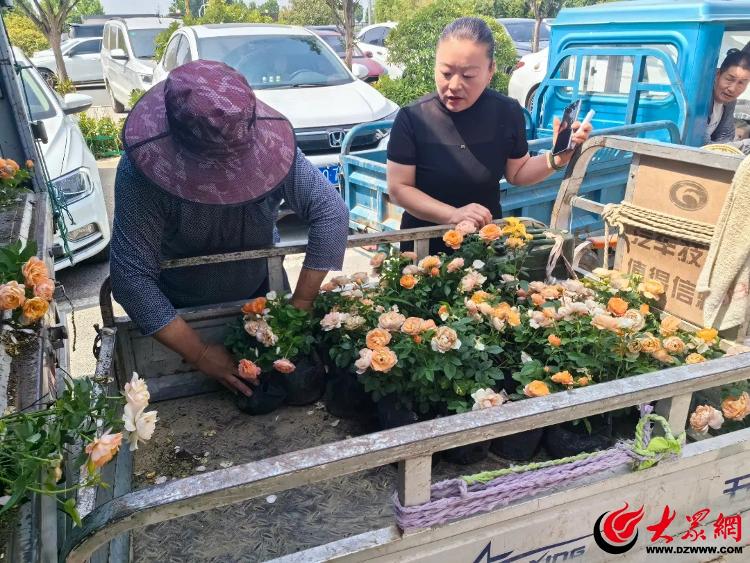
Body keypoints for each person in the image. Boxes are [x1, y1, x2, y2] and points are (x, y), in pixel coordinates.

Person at [110, 60, 349, 398]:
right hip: (181, 310)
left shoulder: (273, 149)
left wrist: (302, 303)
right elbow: (131, 277)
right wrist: (200, 353)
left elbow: (330, 212)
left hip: (262, 290)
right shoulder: (143, 174)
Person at [386, 17, 592, 253]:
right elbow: (399, 188)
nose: (454, 85)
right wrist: (453, 215)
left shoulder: (507, 112)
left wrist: (556, 158)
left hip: (485, 245)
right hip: (423, 249)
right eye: (446, 72)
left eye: (468, 75)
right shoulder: (413, 117)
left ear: (490, 70)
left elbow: (517, 172)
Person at [704, 46, 750, 145]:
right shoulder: (702, 96)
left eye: (741, 83)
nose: (732, 89)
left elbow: (726, 136)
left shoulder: (730, 101)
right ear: (718, 74)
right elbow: (700, 141)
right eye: (729, 79)